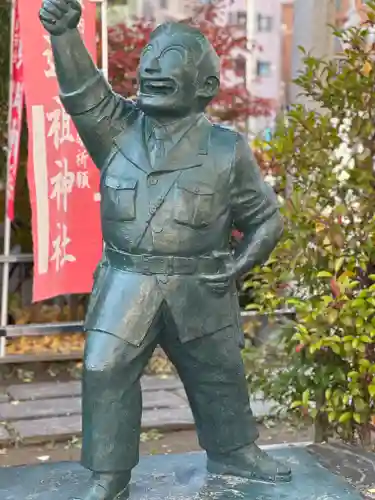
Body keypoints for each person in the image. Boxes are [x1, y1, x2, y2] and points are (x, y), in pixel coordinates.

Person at [39, 1, 291, 499]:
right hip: (127, 280)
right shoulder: (116, 130)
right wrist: (66, 34)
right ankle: (109, 473)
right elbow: (83, 91)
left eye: (170, 56)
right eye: (150, 54)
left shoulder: (226, 149)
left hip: (201, 284)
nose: (151, 65)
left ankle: (235, 450)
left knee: (218, 370)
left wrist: (239, 267)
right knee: (104, 367)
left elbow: (266, 220)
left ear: (205, 87)